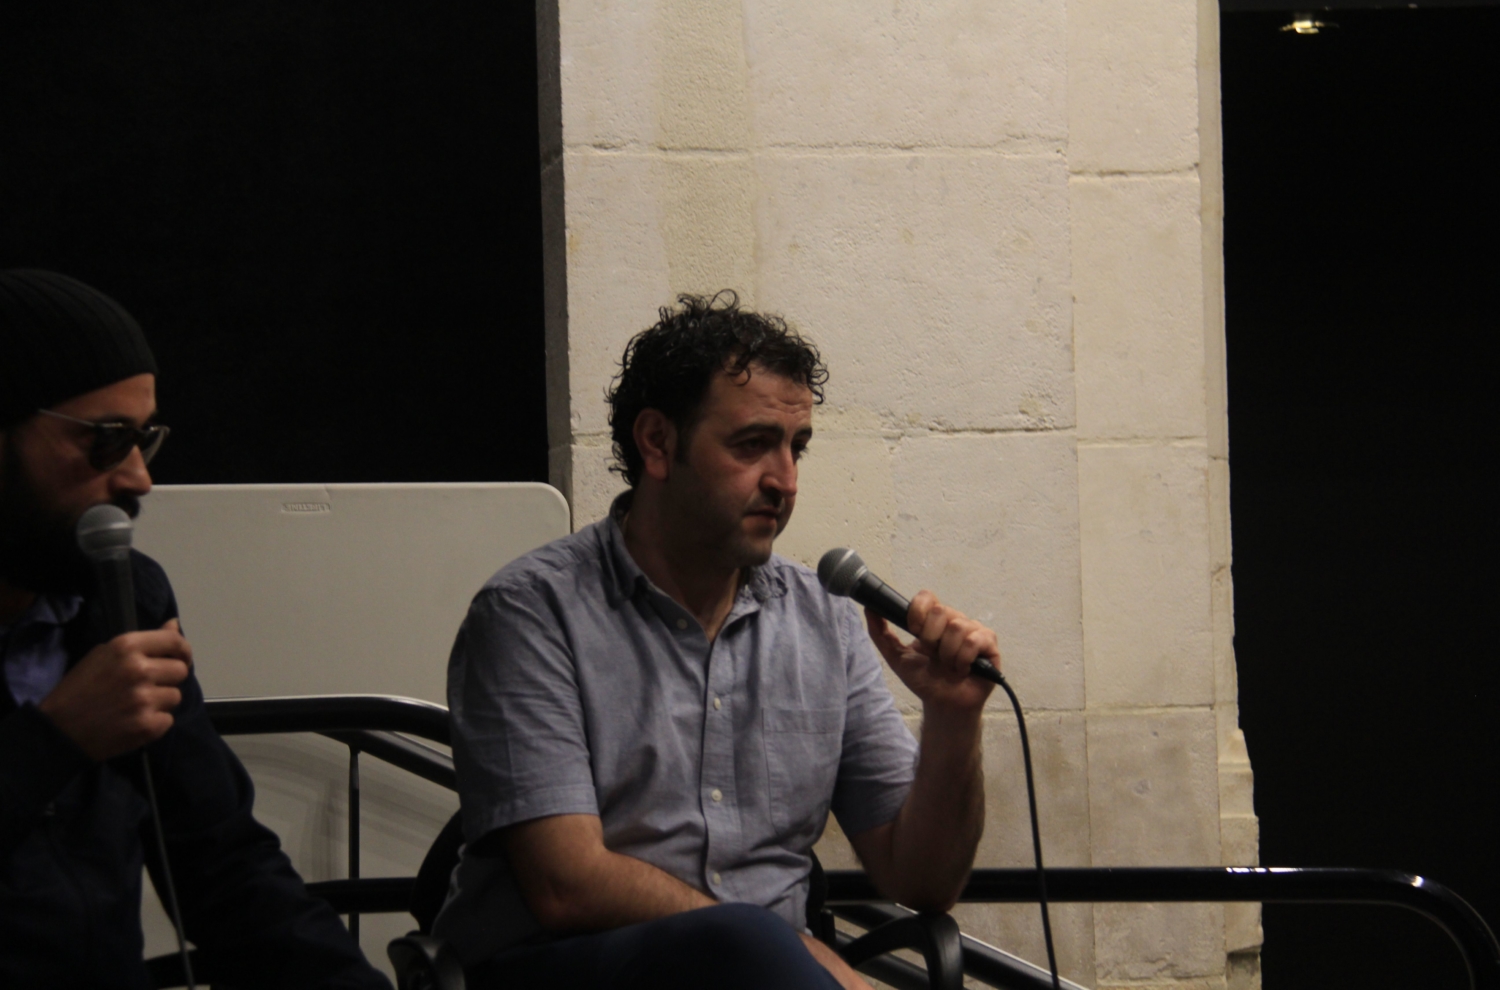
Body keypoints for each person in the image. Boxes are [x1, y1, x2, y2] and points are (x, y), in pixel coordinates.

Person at [438, 292, 999, 990]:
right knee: (742, 943)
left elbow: (921, 882)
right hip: (573, 967)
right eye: (752, 444)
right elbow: (565, 885)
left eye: (796, 448)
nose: (785, 481)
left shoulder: (823, 618)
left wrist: (953, 719)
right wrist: (782, 946)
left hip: (775, 974)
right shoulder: (532, 612)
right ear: (657, 443)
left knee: (750, 947)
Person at [0, 268, 391, 989]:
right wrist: (54, 741)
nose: (139, 478)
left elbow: (223, 865)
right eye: (106, 439)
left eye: (144, 439)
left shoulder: (121, 597)